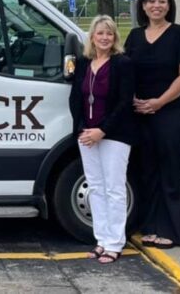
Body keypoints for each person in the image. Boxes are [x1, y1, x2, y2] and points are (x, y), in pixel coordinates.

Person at [124, 0, 180, 249]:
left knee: (170, 171)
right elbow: (126, 71)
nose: (157, 6)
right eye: (151, 1)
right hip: (141, 112)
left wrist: (159, 102)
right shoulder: (134, 36)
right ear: (143, 6)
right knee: (147, 171)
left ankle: (174, 231)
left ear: (169, 6)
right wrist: (132, 98)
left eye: (163, 2)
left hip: (172, 112)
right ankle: (151, 227)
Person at [69, 15, 136, 264]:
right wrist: (82, 128)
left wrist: (102, 130)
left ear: (115, 37)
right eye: (100, 33)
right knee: (95, 187)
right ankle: (101, 240)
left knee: (114, 188)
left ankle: (115, 243)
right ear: (92, 37)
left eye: (109, 33)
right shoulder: (85, 63)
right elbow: (76, 97)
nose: (105, 38)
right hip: (87, 134)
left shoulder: (123, 64)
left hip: (114, 135)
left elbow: (124, 103)